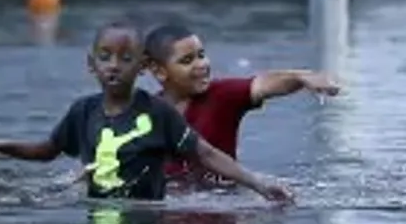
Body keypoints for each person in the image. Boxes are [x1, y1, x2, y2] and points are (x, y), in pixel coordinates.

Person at [0, 21, 295, 204]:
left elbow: (205, 153)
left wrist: (258, 185)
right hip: (102, 218)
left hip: (151, 216)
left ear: (142, 68)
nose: (114, 66)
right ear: (91, 65)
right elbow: (47, 150)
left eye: (126, 58)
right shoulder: (83, 111)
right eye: (105, 57)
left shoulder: (158, 113)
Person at [142, 23, 341, 181]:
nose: (201, 65)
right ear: (159, 71)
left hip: (221, 209)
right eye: (187, 61)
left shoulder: (220, 96)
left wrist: (303, 78)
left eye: (201, 55)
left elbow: (263, 84)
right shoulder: (147, 112)